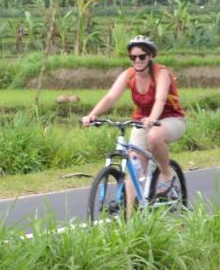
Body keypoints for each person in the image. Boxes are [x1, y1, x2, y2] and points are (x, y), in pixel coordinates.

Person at [80, 35, 187, 197]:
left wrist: (152, 118)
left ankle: (166, 173)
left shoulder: (161, 74)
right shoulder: (128, 75)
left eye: (142, 56)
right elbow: (110, 97)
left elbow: (160, 100)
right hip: (141, 122)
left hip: (170, 119)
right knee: (133, 173)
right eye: (133, 57)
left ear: (150, 56)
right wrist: (92, 114)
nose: (137, 60)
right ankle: (131, 219)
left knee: (154, 137)